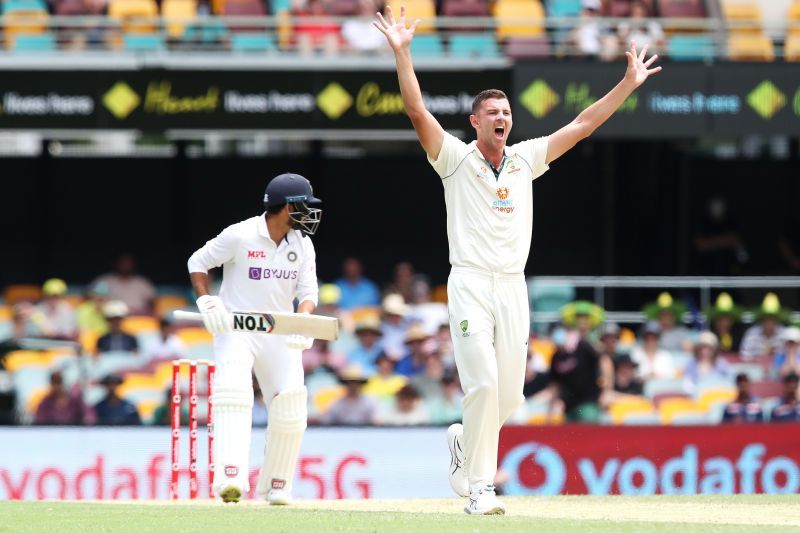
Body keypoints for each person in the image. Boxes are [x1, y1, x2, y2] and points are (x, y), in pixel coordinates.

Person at [375, 4, 661, 514]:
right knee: (482, 384)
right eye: (493, 113)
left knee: (507, 399)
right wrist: (403, 53)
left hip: (512, 287)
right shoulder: (454, 160)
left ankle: (465, 443)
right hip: (469, 284)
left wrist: (627, 85)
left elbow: (582, 124)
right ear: (475, 121)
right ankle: (481, 488)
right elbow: (418, 112)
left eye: (507, 113)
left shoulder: (526, 159)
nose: (502, 118)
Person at [187, 172, 322, 504]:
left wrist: (303, 321)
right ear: (284, 206)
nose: (309, 213)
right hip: (237, 328)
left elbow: (308, 292)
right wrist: (206, 299)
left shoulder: (303, 244)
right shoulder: (241, 234)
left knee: (291, 402)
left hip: (278, 330)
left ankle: (277, 485)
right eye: (304, 205)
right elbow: (199, 261)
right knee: (233, 393)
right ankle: (229, 478)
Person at [547, 329, 602, 423]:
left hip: (586, 401)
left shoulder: (583, 348)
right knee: (562, 429)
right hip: (566, 404)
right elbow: (554, 383)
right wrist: (554, 401)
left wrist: (605, 390)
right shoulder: (556, 356)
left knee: (587, 422)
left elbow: (602, 361)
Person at [92, 253, 157, 314]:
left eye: (128, 263)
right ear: (116, 263)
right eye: (122, 263)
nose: (125, 265)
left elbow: (152, 303)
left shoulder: (142, 282)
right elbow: (91, 299)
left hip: (136, 317)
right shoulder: (104, 280)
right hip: (111, 317)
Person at [740, 293, 788, 361]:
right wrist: (761, 356)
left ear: (777, 320)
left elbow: (790, 357)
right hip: (755, 369)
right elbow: (743, 357)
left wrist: (775, 355)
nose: (770, 322)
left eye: (772, 319)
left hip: (779, 370)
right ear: (762, 319)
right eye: (767, 318)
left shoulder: (785, 334)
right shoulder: (751, 333)